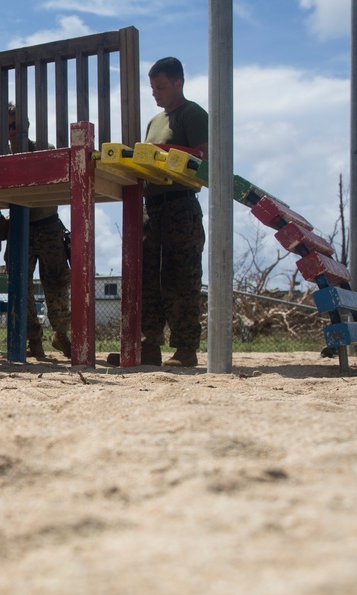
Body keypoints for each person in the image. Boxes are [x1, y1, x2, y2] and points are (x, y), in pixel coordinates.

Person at [109, 56, 208, 368]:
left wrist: (168, 155)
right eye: (152, 88)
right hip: (152, 208)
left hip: (180, 206)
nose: (155, 93)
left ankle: (185, 349)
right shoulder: (154, 122)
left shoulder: (193, 115)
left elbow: (206, 161)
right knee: (148, 279)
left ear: (178, 83)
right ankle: (149, 345)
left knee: (181, 277)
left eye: (161, 87)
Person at [4, 102, 72, 360]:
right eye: (8, 126)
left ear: (28, 126)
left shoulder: (42, 149)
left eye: (16, 126)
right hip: (20, 227)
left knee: (56, 285)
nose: (12, 131)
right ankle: (33, 339)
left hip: (48, 225)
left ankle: (60, 334)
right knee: (20, 288)